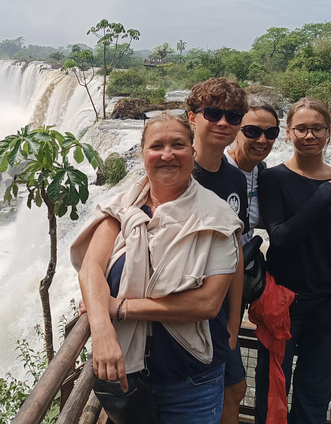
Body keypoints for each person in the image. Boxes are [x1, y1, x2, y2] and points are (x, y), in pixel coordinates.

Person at [71, 111, 243, 424]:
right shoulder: (123, 207)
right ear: (143, 154)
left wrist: (120, 308)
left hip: (191, 382)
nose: (167, 155)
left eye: (178, 145)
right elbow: (91, 269)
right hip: (128, 378)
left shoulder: (216, 217)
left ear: (192, 152)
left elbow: (206, 303)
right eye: (156, 146)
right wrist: (102, 329)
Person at [255, 97, 331, 424]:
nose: (309, 135)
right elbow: (281, 238)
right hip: (281, 306)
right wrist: (322, 199)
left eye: (317, 128)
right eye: (301, 128)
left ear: (329, 132)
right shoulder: (273, 179)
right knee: (271, 393)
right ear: (288, 133)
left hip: (326, 306)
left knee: (315, 397)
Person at [185, 78, 251, 424]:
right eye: (213, 113)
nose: (224, 122)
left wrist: (235, 320)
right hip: (180, 311)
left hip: (220, 313)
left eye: (233, 115)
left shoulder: (235, 179)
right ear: (192, 117)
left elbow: (236, 254)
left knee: (234, 389)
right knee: (203, 395)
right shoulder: (176, 172)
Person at [225, 95, 280, 240]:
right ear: (236, 132)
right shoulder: (217, 168)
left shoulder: (261, 172)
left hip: (248, 260)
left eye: (271, 133)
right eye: (252, 131)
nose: (262, 140)